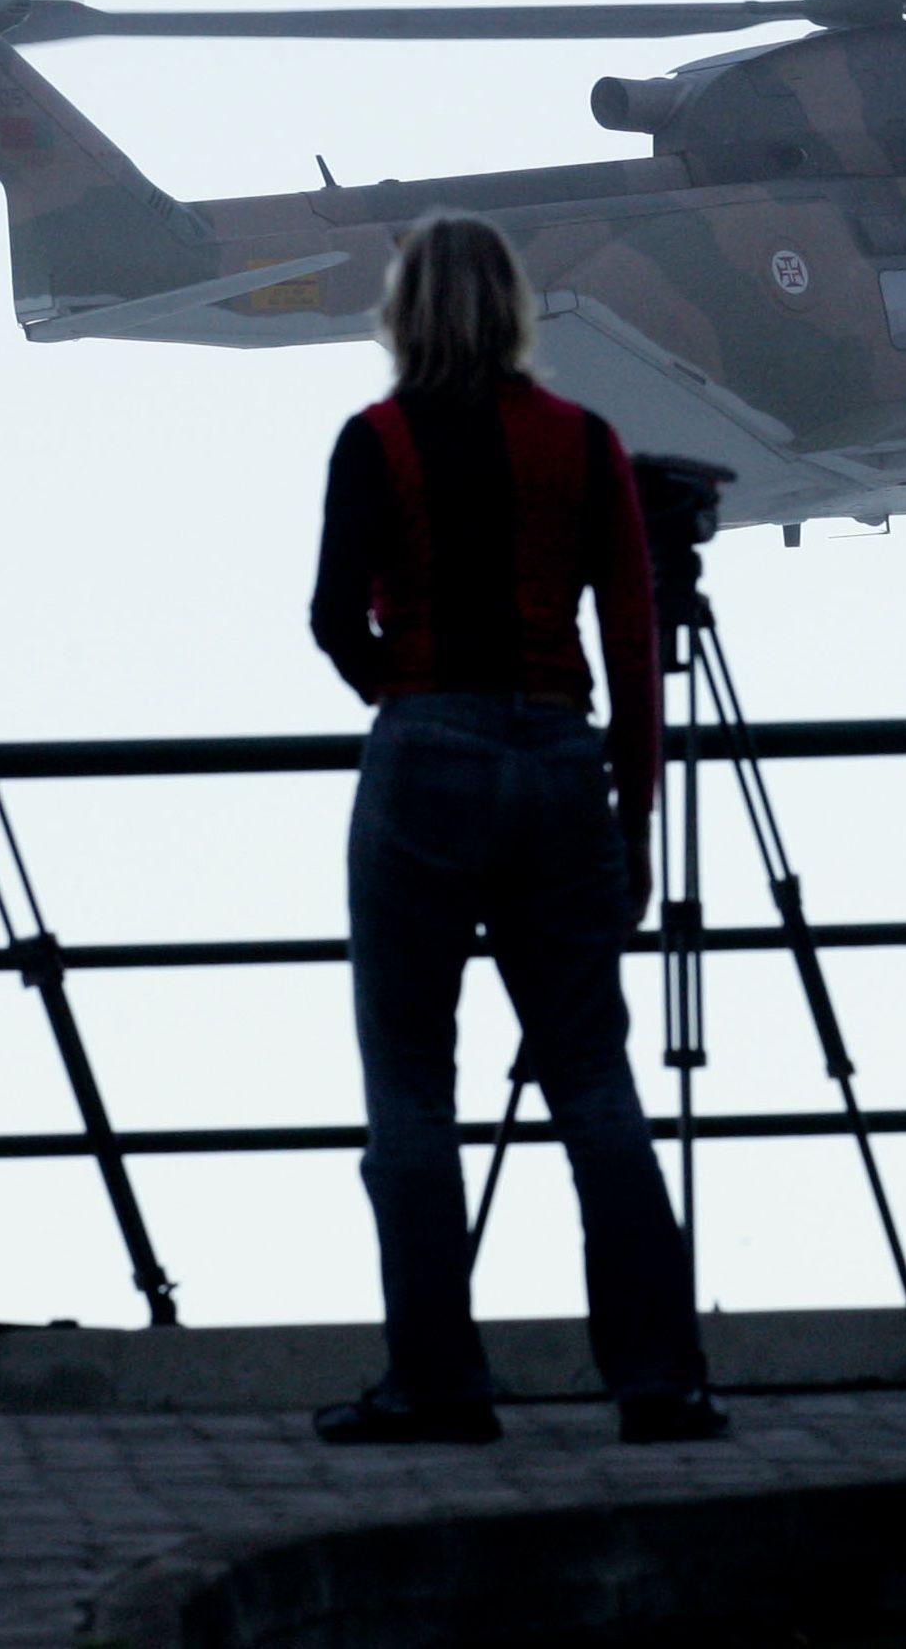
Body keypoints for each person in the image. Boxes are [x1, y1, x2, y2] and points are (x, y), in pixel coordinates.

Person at [307, 212, 724, 1446]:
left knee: (410, 1089)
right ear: (518, 312)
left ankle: (439, 1386)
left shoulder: (374, 442)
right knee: (594, 1081)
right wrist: (634, 815)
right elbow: (633, 644)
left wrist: (401, 690)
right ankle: (657, 1382)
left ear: (402, 314)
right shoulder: (584, 443)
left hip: (424, 756)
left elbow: (331, 615)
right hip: (557, 758)